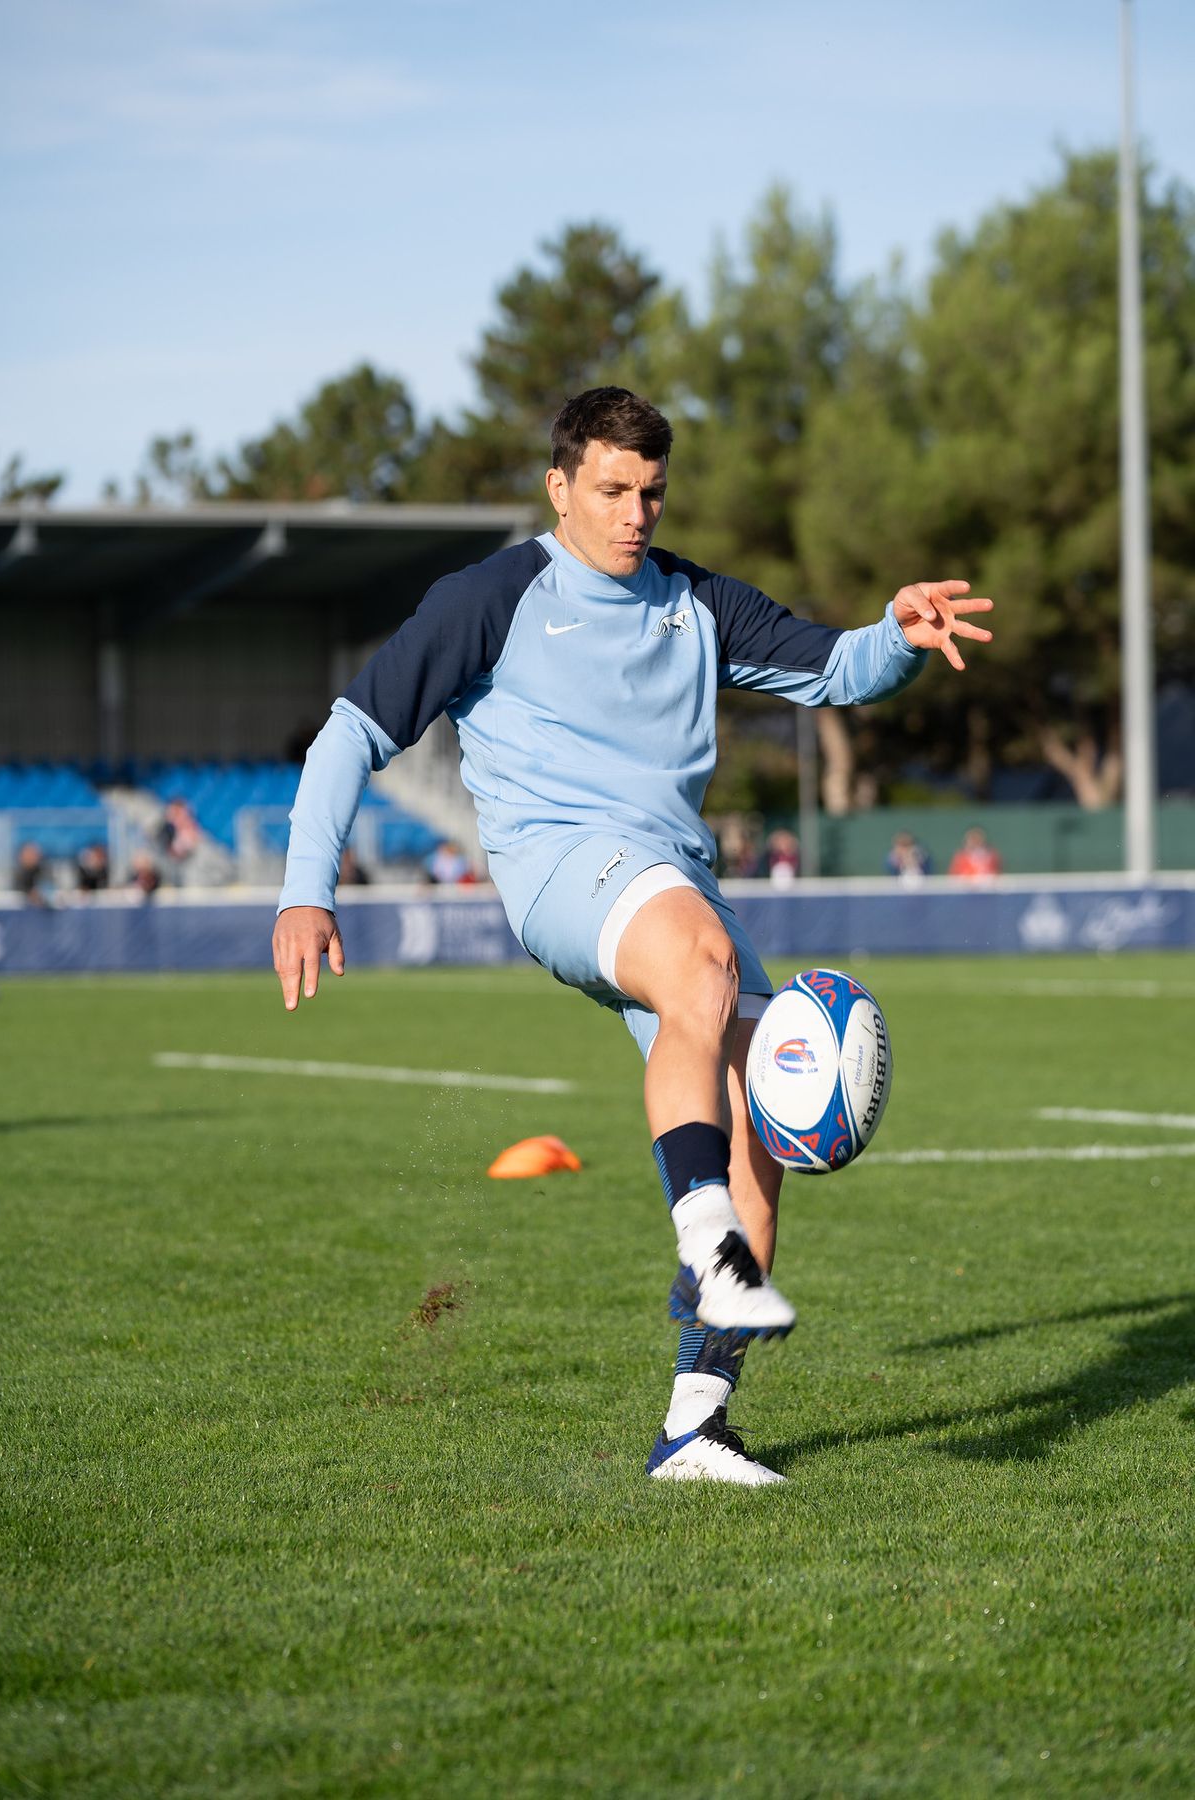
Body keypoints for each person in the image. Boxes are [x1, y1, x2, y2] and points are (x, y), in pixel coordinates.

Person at [272, 387, 993, 1486]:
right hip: (563, 870)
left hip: (674, 881)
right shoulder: (492, 596)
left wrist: (898, 635)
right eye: (612, 490)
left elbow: (834, 669)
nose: (634, 513)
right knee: (704, 965)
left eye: (651, 492)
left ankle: (695, 1429)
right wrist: (303, 891)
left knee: (764, 1134)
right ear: (560, 487)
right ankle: (704, 1244)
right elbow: (351, 732)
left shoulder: (694, 599)